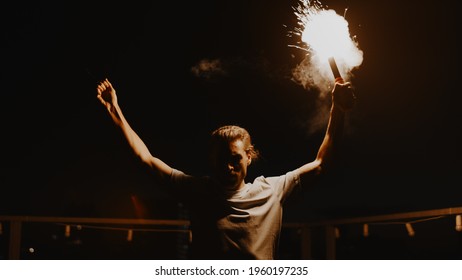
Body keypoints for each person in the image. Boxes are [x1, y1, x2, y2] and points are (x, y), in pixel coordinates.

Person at [96, 77, 355, 259]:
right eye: (222, 159)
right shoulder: (196, 190)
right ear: (211, 159)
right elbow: (146, 159)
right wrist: (114, 109)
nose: (228, 167)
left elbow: (321, 165)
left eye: (235, 159)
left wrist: (338, 109)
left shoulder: (272, 190)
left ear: (249, 157)